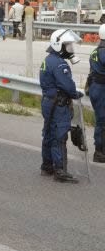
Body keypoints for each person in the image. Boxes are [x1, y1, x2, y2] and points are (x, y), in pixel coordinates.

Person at [39, 28, 83, 182]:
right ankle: (60, 170)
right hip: (58, 105)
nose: (70, 48)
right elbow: (68, 86)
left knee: (49, 133)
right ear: (58, 45)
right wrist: (75, 94)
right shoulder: (59, 64)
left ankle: (47, 166)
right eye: (67, 45)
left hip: (47, 102)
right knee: (59, 136)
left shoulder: (48, 59)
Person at [88, 24, 105, 163]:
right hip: (101, 89)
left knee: (101, 120)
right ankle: (99, 152)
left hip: (95, 87)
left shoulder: (96, 50)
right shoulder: (103, 51)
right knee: (102, 121)